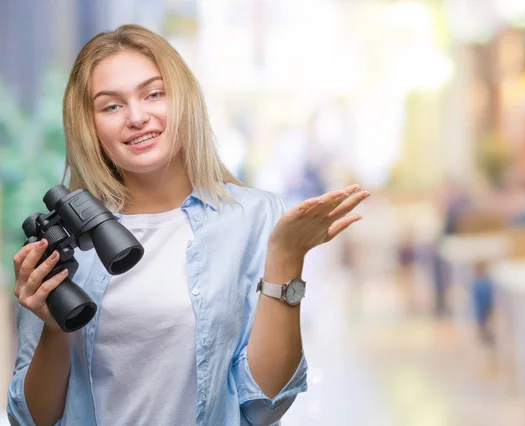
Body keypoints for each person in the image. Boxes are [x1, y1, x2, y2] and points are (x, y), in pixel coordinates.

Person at [7, 24, 369, 426]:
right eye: (111, 106)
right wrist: (55, 331)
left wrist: (286, 257)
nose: (137, 117)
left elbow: (266, 406)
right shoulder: (68, 242)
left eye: (154, 94)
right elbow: (32, 420)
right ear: (90, 126)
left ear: (184, 100)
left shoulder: (254, 217)